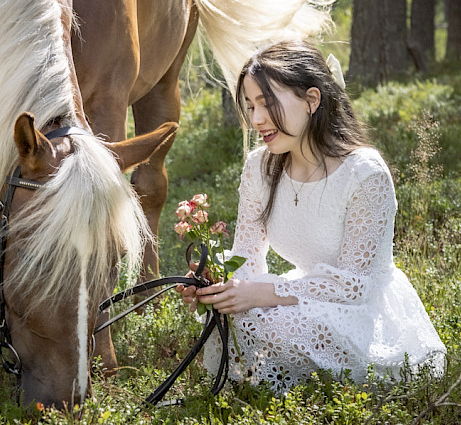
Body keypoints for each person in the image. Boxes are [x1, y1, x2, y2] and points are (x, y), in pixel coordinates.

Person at [177, 40, 446, 392]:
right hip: (300, 293)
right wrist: (216, 281)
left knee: (279, 325)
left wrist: (261, 293)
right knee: (230, 314)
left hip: (360, 309)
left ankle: (286, 385)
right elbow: (247, 257)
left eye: (268, 103)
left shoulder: (364, 174)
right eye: (251, 105)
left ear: (312, 100)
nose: (257, 119)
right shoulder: (259, 167)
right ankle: (264, 384)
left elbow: (353, 286)